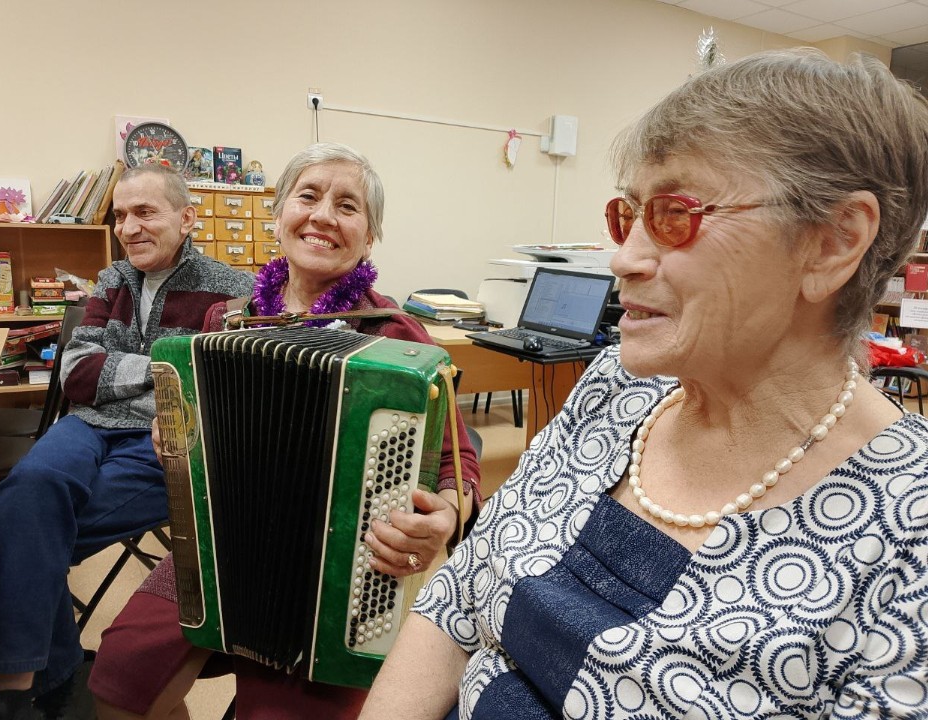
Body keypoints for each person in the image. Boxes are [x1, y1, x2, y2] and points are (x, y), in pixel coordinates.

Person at [360, 49, 928, 720]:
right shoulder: (615, 388)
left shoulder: (907, 536)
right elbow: (459, 596)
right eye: (625, 215)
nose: (622, 258)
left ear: (833, 241)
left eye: (674, 213)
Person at [88, 142, 482, 719]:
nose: (323, 215)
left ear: (369, 236)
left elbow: (457, 461)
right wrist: (175, 440)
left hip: (347, 574)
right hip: (220, 545)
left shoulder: (399, 338)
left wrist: (443, 517)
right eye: (308, 196)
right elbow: (185, 431)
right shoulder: (228, 320)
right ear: (279, 216)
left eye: (347, 206)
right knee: (118, 679)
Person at [0, 164, 256, 720]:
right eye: (120, 215)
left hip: (164, 442)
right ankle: (39, 684)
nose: (128, 227)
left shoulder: (235, 291)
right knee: (31, 489)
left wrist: (128, 373)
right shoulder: (110, 280)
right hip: (86, 425)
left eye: (144, 212)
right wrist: (169, 368)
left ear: (187, 218)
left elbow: (214, 388)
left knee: (16, 524)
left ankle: (19, 697)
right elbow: (75, 370)